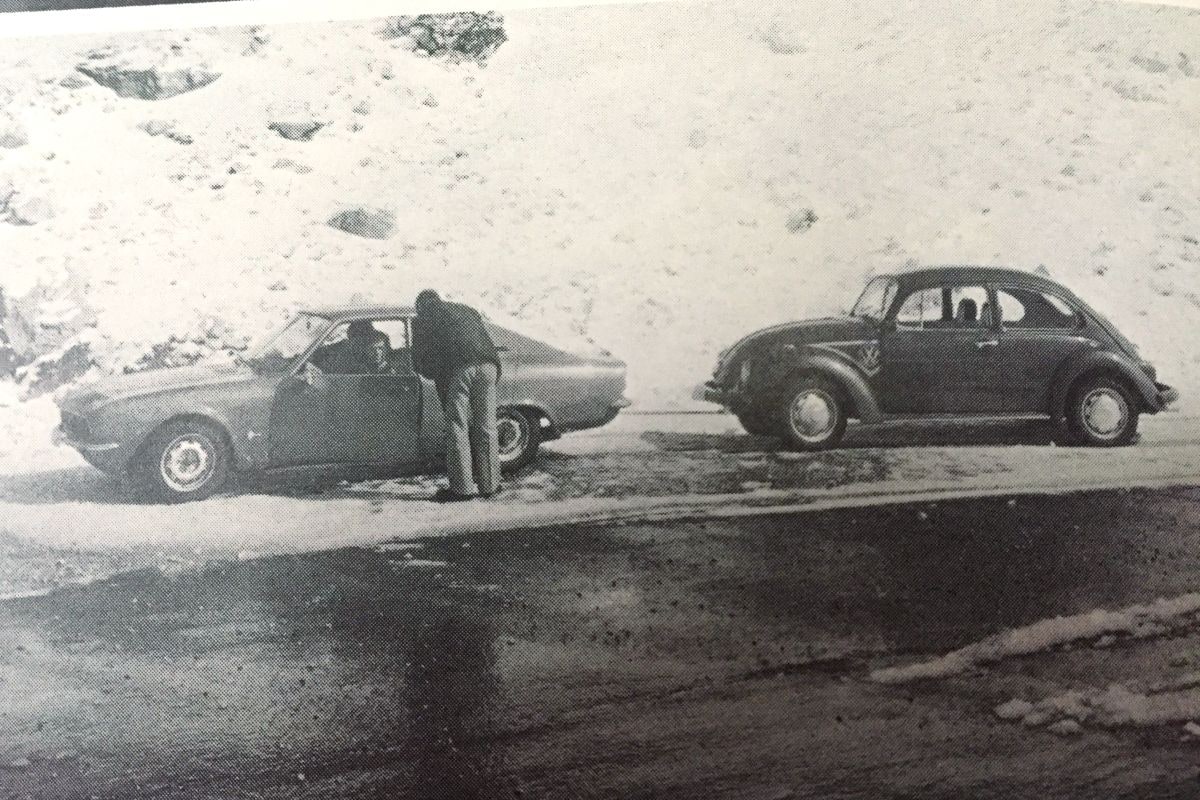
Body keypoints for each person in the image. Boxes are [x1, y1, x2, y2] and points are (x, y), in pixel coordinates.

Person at [412, 290, 502, 502]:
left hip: (461, 369)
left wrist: (431, 373)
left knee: (457, 427)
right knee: (487, 425)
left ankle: (462, 489)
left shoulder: (423, 318)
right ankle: (491, 485)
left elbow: (421, 360)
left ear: (420, 306)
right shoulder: (465, 310)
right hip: (489, 365)